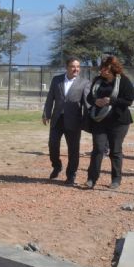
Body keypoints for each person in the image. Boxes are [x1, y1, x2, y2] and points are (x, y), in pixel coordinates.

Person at [84, 55, 134, 190]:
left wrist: (111, 101)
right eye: (101, 68)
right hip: (99, 120)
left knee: (115, 150)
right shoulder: (97, 81)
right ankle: (91, 179)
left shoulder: (123, 81)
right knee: (98, 149)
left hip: (119, 121)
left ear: (112, 69)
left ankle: (116, 179)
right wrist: (95, 101)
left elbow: (130, 99)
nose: (102, 70)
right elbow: (89, 97)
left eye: (105, 68)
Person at [42, 57, 91, 185]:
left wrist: (90, 119)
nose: (76, 69)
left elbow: (87, 103)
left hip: (74, 121)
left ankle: (71, 175)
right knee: (53, 145)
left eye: (78, 67)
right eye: (73, 66)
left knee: (73, 150)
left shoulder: (84, 83)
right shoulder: (56, 80)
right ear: (67, 67)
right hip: (57, 119)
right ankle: (57, 166)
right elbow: (50, 98)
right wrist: (46, 113)